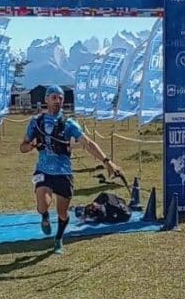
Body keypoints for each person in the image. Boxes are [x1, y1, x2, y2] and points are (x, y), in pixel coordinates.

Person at [19, 85, 122, 254]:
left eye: (60, 98)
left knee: (62, 213)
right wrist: (29, 146)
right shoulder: (35, 123)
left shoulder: (69, 124)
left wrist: (107, 162)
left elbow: (88, 143)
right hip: (43, 171)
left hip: (63, 173)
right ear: (46, 99)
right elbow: (22, 147)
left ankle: (58, 238)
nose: (57, 101)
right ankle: (44, 216)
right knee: (43, 205)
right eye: (53, 97)